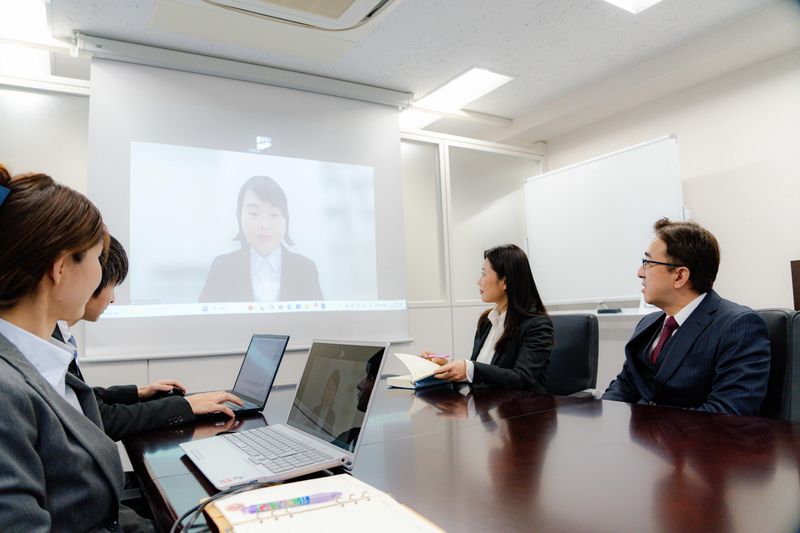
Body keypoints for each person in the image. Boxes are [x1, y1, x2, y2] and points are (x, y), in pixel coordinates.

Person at [0, 166, 127, 531]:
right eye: (97, 259)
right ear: (59, 268)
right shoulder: (6, 390)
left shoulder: (41, 363)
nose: (101, 276)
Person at [54, 236, 243, 441]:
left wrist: (139, 392)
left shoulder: (57, 334)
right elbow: (99, 419)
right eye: (112, 284)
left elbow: (81, 398)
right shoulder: (47, 342)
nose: (113, 299)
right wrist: (185, 406)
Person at [602, 218, 770, 415]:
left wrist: (652, 430)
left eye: (648, 263)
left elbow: (728, 413)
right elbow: (624, 385)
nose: (640, 273)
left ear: (680, 276)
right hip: (638, 434)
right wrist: (604, 419)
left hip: (695, 435)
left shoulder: (738, 326)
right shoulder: (648, 324)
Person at [429, 244, 554, 391]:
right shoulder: (486, 321)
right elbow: (479, 373)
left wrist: (469, 368)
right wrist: (447, 367)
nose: (478, 281)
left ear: (505, 282)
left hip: (521, 404)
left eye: (484, 274)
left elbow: (522, 379)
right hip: (485, 403)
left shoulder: (537, 325)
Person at [199, 175, 322, 302]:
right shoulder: (222, 267)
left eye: (274, 214)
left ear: (286, 218)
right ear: (239, 216)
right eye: (254, 214)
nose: (264, 225)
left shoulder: (305, 269)